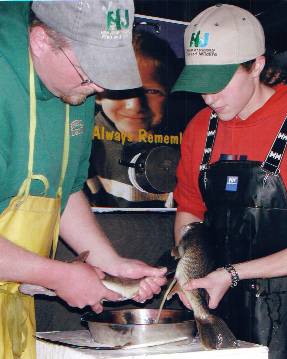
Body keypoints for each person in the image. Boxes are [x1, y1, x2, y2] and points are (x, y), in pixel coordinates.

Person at [0, 2, 167, 358]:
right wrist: (57, 275)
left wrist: (113, 265)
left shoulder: (74, 89)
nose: (99, 86)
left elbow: (64, 192)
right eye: (89, 71)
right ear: (41, 40)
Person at [172, 4, 287, 359]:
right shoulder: (199, 127)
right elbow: (190, 211)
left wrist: (233, 274)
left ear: (256, 65)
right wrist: (189, 277)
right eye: (200, 85)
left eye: (219, 83)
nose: (209, 98)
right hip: (221, 303)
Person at [86, 30, 180, 207]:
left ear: (171, 96)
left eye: (152, 91)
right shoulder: (82, 140)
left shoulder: (181, 141)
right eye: (123, 89)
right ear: (98, 92)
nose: (135, 105)